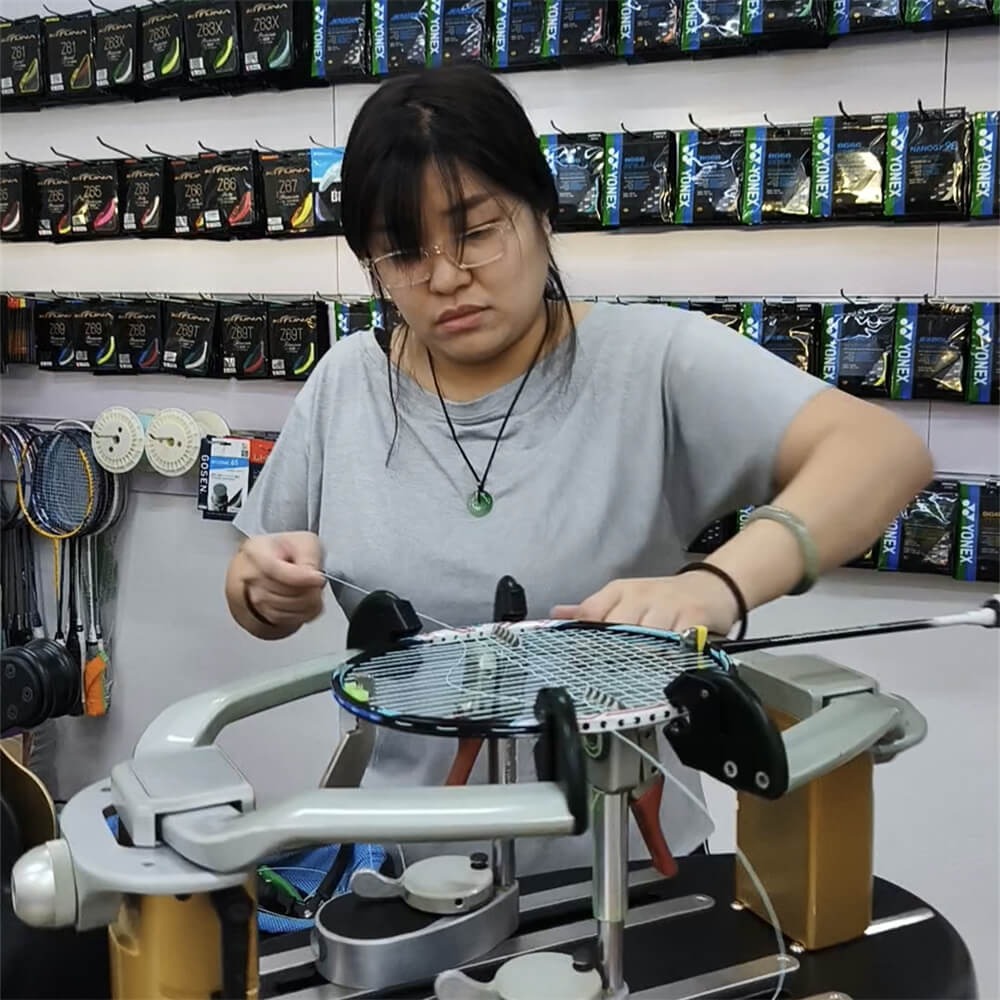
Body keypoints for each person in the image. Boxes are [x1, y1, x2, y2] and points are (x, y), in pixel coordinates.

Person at [227, 65, 933, 873]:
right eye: (403, 253)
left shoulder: (652, 361)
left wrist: (715, 588)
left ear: (541, 208)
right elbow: (259, 596)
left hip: (632, 875)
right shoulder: (346, 383)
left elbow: (882, 454)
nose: (447, 277)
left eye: (477, 231)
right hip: (408, 878)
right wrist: (258, 588)